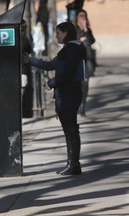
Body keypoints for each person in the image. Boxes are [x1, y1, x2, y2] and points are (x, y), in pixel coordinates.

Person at [24, 22, 86, 175]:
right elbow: (51, 65)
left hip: (68, 94)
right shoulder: (68, 49)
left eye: (58, 33)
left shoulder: (72, 50)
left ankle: (74, 164)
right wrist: (30, 60)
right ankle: (71, 163)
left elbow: (68, 73)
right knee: (69, 130)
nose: (56, 36)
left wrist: (51, 83)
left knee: (71, 130)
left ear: (65, 33)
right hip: (67, 94)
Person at [75, 10, 96, 116]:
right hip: (77, 61)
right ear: (77, 18)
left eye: (85, 17)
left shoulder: (88, 30)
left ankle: (82, 105)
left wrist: (86, 29)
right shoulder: (75, 29)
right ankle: (78, 104)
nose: (83, 18)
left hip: (87, 60)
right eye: (81, 16)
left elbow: (92, 41)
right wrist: (80, 39)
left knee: (85, 84)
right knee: (78, 84)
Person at [21, 19, 34, 118]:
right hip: (23, 70)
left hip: (23, 70)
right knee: (23, 92)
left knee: (23, 92)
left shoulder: (24, 40)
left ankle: (24, 111)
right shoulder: (24, 40)